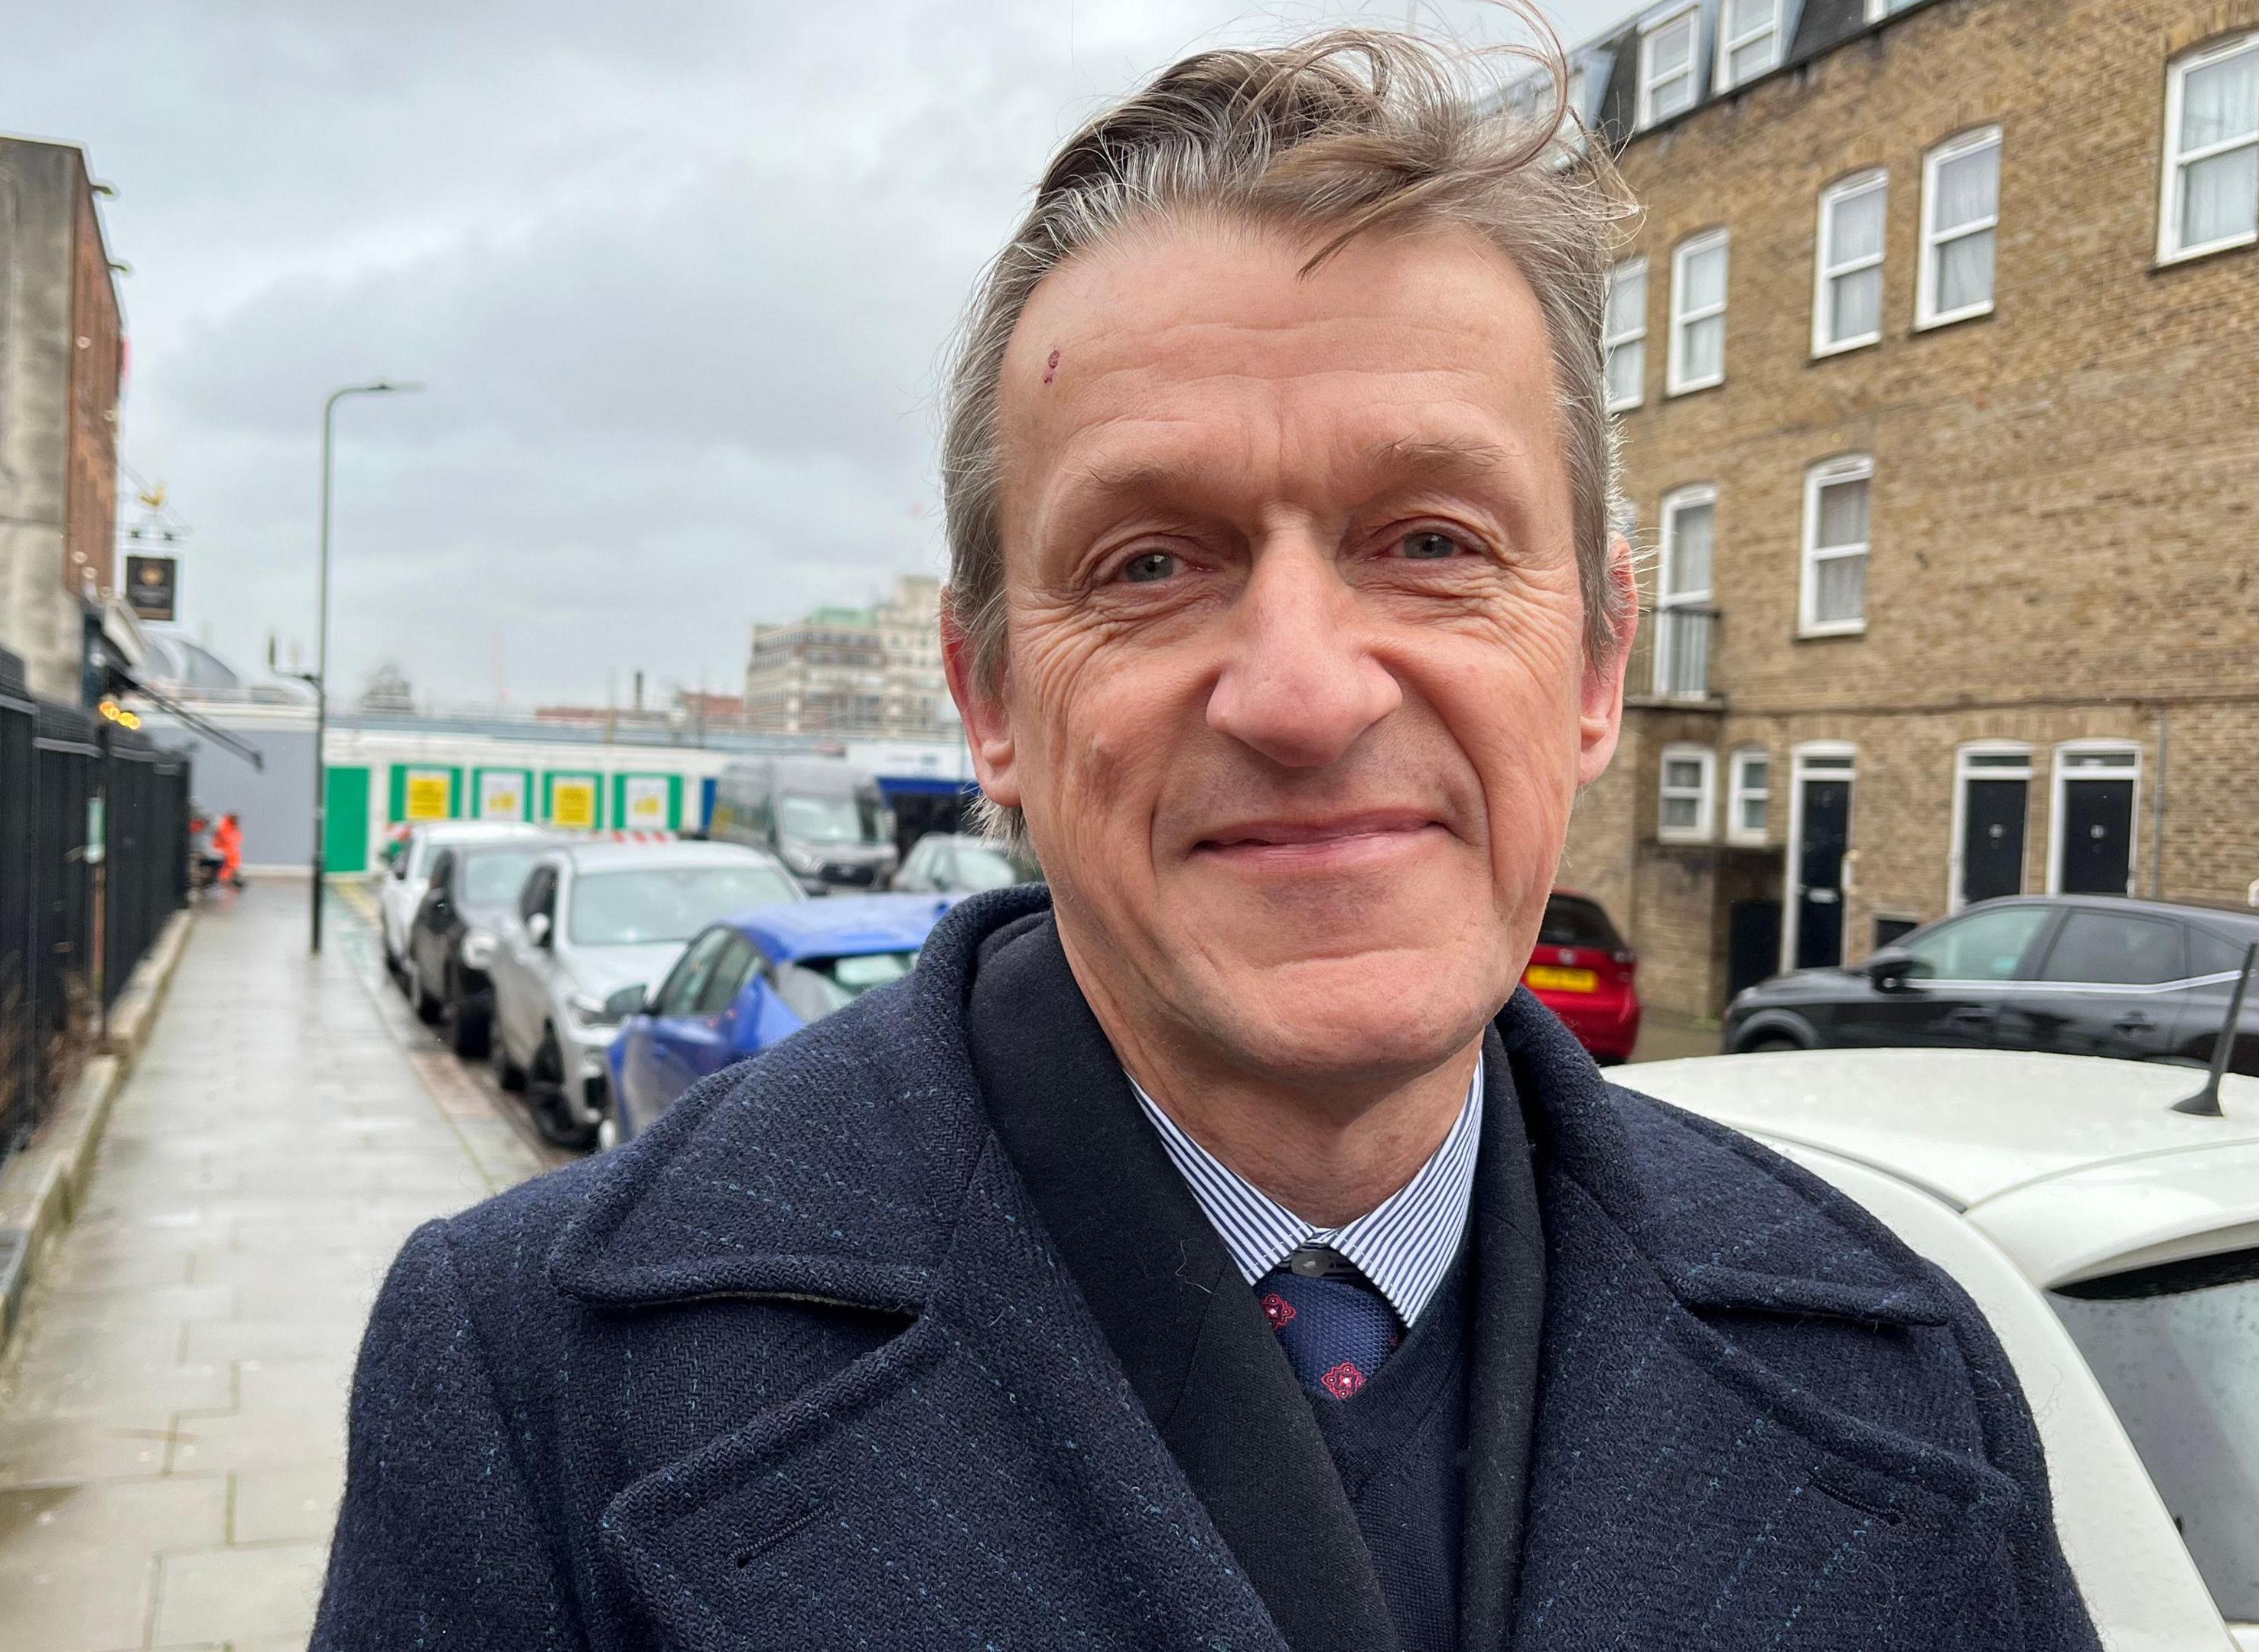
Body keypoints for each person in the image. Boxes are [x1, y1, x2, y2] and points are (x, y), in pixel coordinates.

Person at [314, 31, 2095, 1651]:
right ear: (989, 695)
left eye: (1430, 541)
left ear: (1596, 664)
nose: (1305, 694)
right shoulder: (532, 1379)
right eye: (1149, 562)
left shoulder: (1904, 1364)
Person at [210, 811, 244, 889]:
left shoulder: (233, 829)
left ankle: (229, 879)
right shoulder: (224, 826)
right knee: (226, 866)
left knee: (230, 864)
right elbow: (224, 839)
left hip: (231, 855)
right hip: (223, 853)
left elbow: (236, 840)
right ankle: (224, 880)